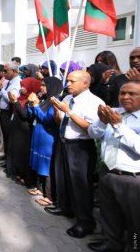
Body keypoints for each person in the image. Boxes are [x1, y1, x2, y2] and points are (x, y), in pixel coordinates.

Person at [47, 71, 105, 238]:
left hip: (81, 147)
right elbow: (60, 122)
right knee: (63, 178)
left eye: (72, 81)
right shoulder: (67, 99)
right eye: (68, 81)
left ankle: (86, 223)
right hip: (64, 142)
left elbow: (92, 129)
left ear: (85, 84)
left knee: (81, 186)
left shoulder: (94, 102)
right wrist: (58, 110)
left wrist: (69, 112)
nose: (68, 84)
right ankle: (65, 207)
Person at [87, 81, 140, 252]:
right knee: (109, 214)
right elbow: (93, 133)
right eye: (122, 93)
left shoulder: (118, 119)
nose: (125, 97)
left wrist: (118, 125)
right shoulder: (114, 112)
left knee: (135, 221)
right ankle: (111, 244)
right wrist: (102, 122)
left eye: (132, 94)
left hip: (132, 178)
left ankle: (134, 246)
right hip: (108, 171)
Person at [27, 77, 63, 206]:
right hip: (39, 134)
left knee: (46, 165)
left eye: (44, 85)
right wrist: (32, 104)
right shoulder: (45, 99)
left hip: (48, 137)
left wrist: (36, 105)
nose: (41, 87)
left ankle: (49, 195)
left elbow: (47, 119)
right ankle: (40, 188)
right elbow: (34, 115)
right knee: (39, 162)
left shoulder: (56, 101)